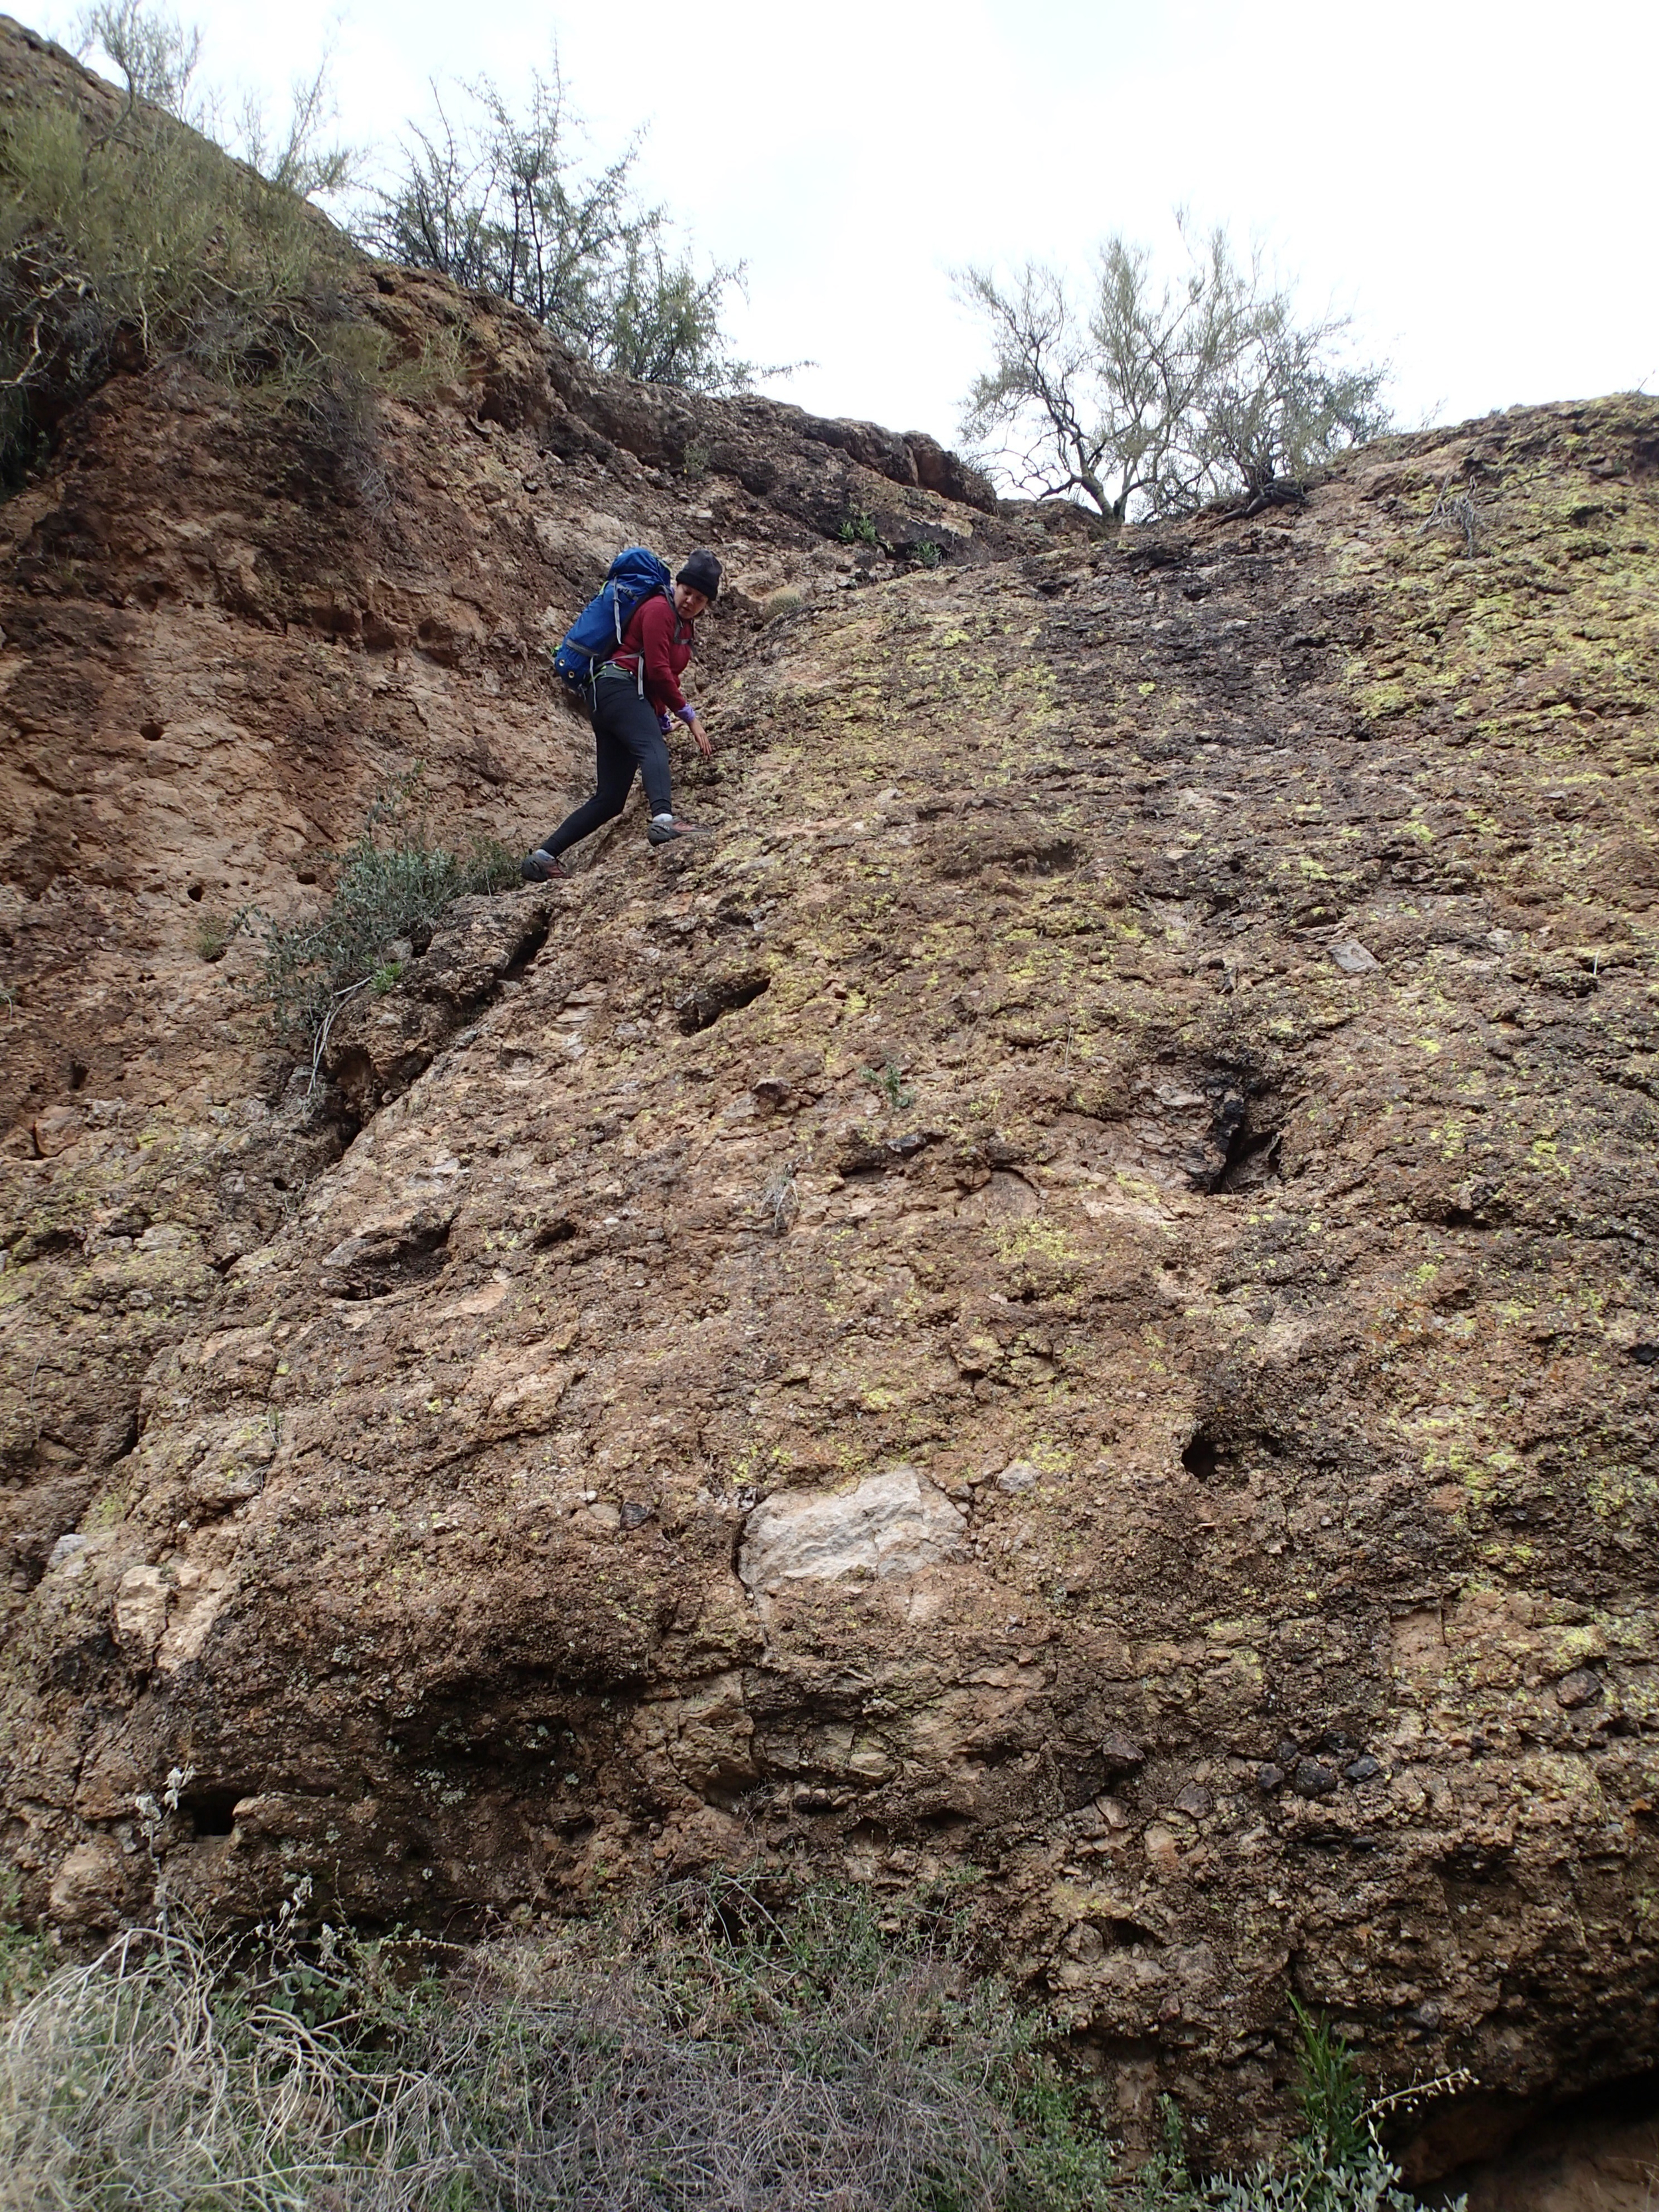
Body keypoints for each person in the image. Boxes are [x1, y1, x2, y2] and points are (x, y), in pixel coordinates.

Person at [522, 550, 721, 880]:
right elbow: (657, 671)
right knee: (653, 749)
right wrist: (689, 716)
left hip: (612, 698)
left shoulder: (683, 628)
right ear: (677, 585)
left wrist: (657, 715)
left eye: (700, 599)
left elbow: (654, 674)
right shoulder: (659, 609)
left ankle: (544, 856)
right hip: (617, 687)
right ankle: (664, 821)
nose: (690, 601)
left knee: (611, 798)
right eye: (687, 592)